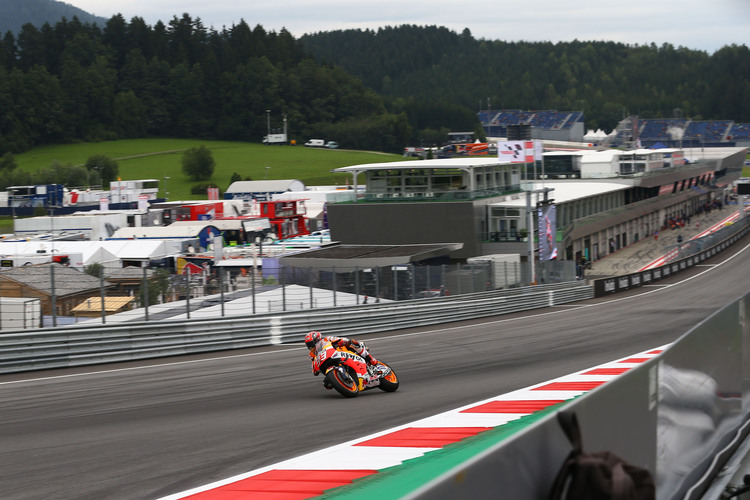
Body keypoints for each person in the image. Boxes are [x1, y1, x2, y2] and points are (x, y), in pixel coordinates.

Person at [304, 331, 378, 375]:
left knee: (353, 343)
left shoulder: (327, 339)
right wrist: (315, 370)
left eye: (311, 344)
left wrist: (343, 342)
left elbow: (340, 339)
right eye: (308, 345)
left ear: (317, 340)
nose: (310, 347)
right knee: (327, 384)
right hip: (329, 362)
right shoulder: (312, 354)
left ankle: (370, 358)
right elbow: (314, 368)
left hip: (341, 352)